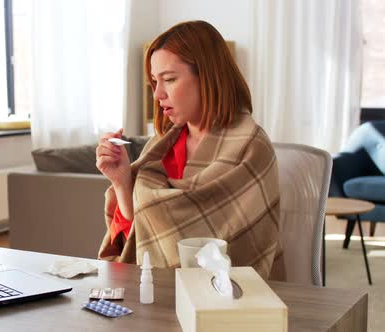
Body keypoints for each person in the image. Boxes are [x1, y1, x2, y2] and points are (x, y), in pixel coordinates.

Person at [95, 20, 284, 280]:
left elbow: (243, 252)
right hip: (156, 292)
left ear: (208, 76)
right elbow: (142, 240)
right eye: (154, 82)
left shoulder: (251, 149)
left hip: (229, 303)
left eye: (169, 79)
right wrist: (122, 182)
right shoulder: (159, 149)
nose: (157, 94)